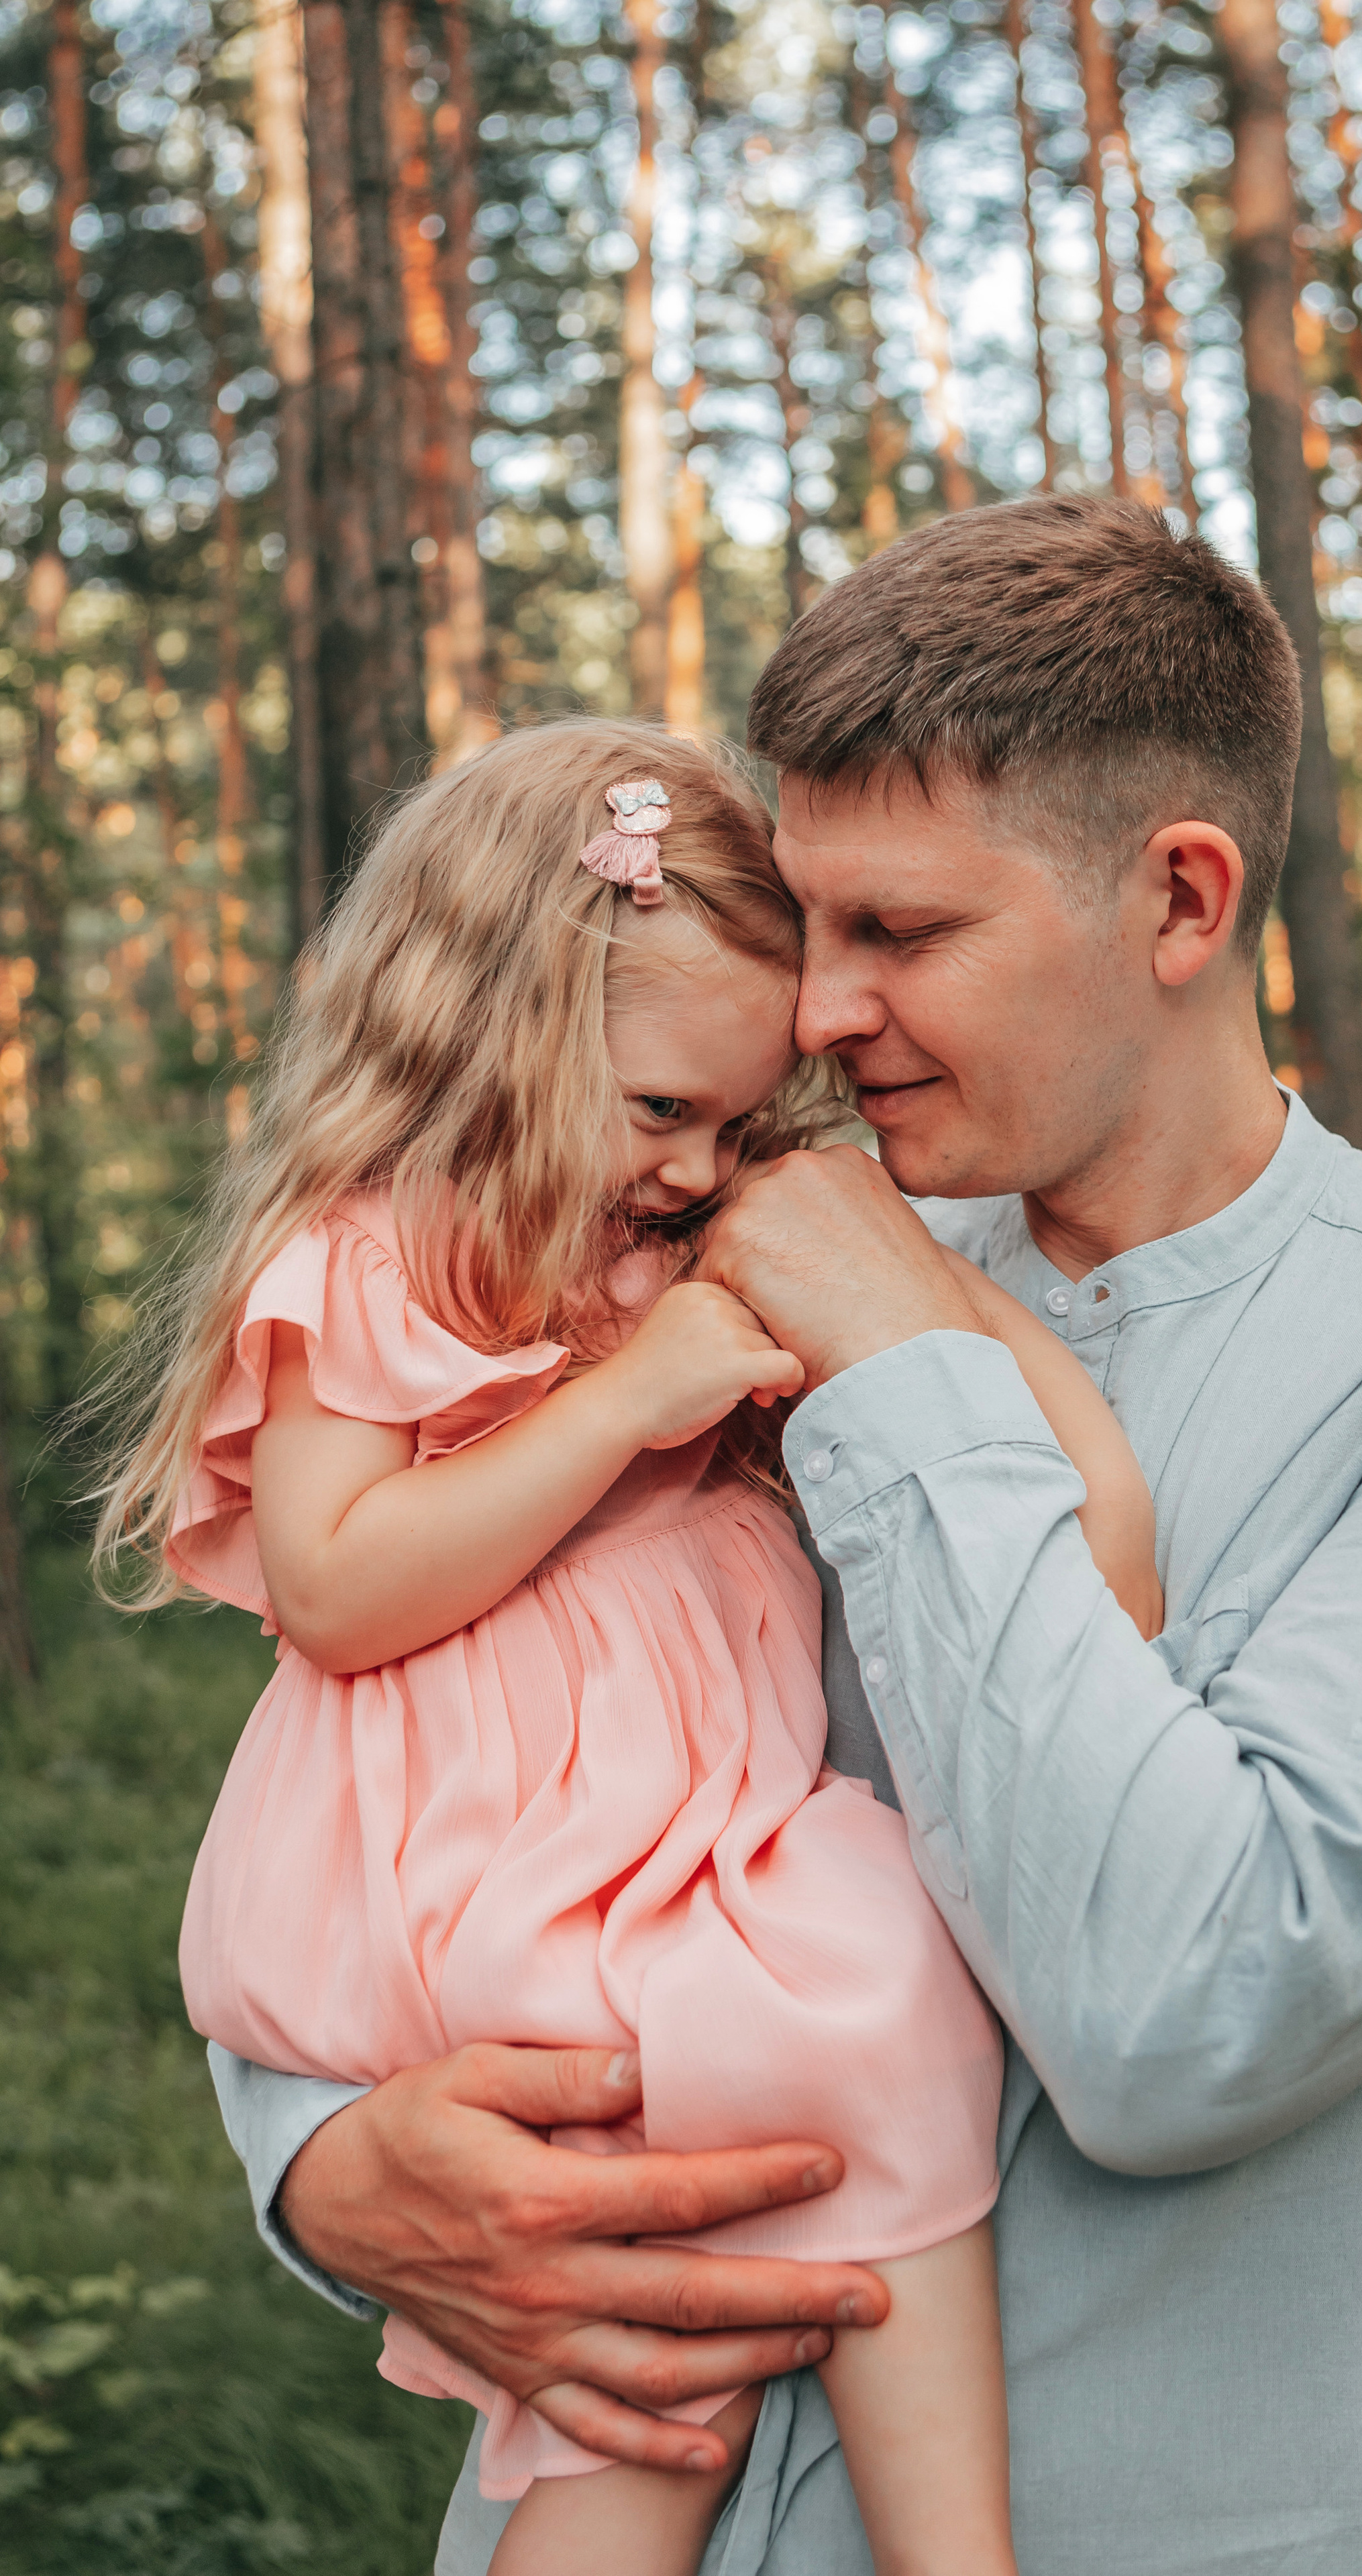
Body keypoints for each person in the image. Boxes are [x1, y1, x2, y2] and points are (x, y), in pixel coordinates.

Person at [205, 498, 1362, 2576]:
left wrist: (913, 1345)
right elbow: (407, 1761)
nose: (816, 1016)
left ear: (1182, 901)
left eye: (900, 935)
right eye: (802, 927)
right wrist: (318, 2167)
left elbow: (1194, 2011)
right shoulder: (695, 1273)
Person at [94, 717, 1161, 2576]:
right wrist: (623, 1404)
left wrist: (919, 1283)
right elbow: (335, 1587)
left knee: (667, 2353)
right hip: (525, 1875)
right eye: (661, 1114)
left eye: (739, 1125)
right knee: (846, 2048)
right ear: (484, 1039)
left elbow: (1081, 1503)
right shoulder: (376, 1265)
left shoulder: (690, 1259)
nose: (691, 1170)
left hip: (686, 1868)